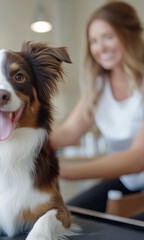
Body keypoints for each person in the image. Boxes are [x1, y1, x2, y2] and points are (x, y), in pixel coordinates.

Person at [50, 1, 144, 220]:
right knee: (66, 218)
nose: (100, 48)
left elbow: (138, 158)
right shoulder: (99, 86)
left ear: (129, 34)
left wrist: (60, 171)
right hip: (129, 181)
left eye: (108, 37)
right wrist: (24, 142)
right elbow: (69, 132)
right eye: (94, 41)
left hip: (134, 172)